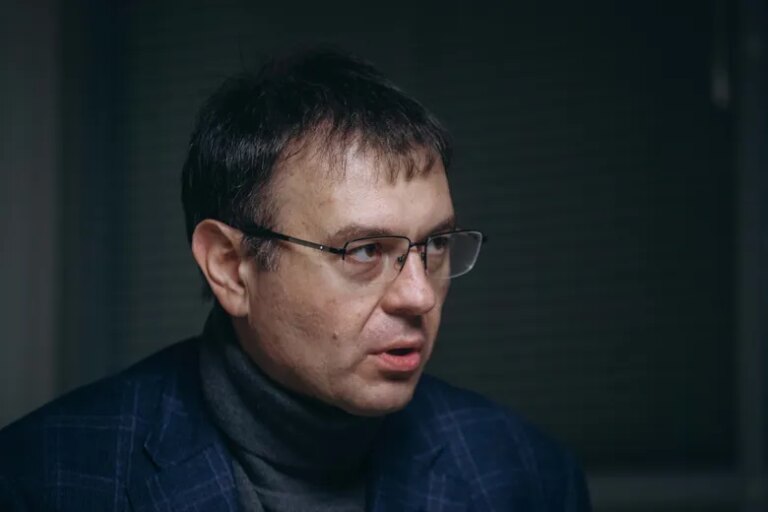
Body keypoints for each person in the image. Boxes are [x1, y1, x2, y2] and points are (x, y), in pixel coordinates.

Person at [0, 49, 590, 511]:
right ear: (231, 267)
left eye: (434, 244)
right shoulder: (45, 479)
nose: (419, 295)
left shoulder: (526, 475)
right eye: (365, 251)